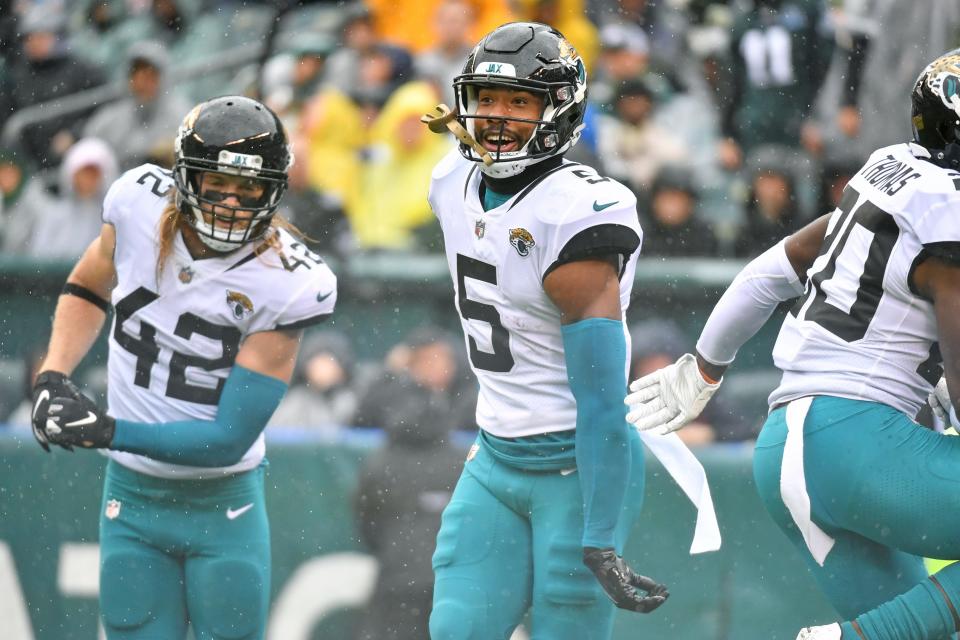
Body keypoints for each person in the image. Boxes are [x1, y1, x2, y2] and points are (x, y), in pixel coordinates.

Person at [625, 48, 960, 640]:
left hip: (784, 448)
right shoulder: (947, 213)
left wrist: (703, 369)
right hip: (857, 443)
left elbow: (770, 270)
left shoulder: (893, 175)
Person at [29, 95, 338, 640]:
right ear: (184, 177)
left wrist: (105, 430)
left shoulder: (289, 279)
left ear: (273, 191)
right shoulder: (134, 202)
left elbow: (226, 439)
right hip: (133, 497)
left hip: (223, 505)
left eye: (249, 188)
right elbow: (88, 283)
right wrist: (53, 374)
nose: (232, 202)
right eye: (218, 182)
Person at [424, 22, 669, 640]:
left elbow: (601, 401)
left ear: (558, 111)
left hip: (575, 464)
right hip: (495, 456)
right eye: (487, 99)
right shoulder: (450, 178)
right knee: (455, 629)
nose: (498, 117)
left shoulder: (577, 212)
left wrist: (601, 535)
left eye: (520, 102)